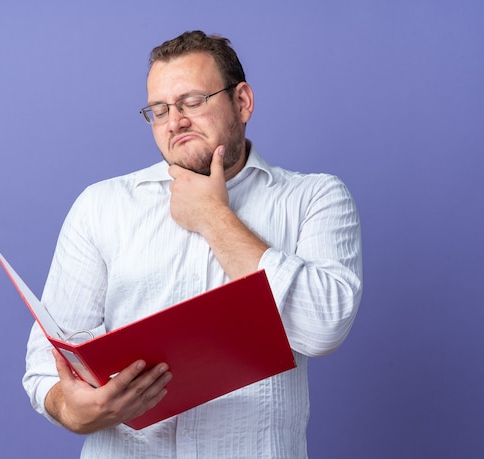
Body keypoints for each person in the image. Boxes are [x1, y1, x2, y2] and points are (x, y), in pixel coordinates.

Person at [23, 30, 362, 458]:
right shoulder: (101, 206)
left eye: (192, 102)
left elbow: (322, 327)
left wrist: (213, 218)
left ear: (242, 102)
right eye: (159, 110)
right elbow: (45, 369)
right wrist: (75, 412)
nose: (174, 121)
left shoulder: (315, 198)